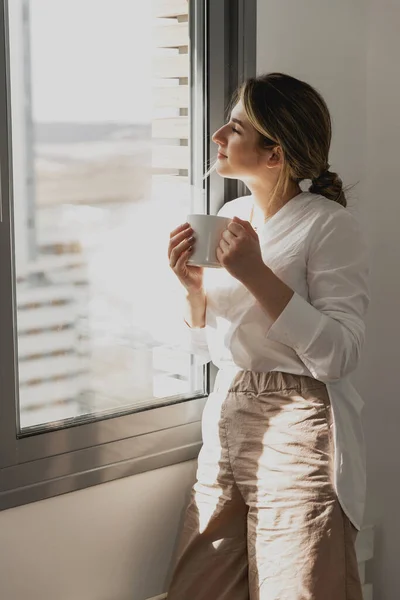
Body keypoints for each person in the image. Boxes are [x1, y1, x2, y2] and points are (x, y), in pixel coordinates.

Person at [167, 72, 369, 600]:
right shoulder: (232, 216)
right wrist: (193, 290)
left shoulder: (329, 226)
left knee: (294, 586)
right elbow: (212, 350)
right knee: (199, 585)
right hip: (228, 414)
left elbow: (340, 354)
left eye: (233, 128)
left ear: (274, 154)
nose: (217, 136)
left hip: (298, 427)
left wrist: (255, 273)